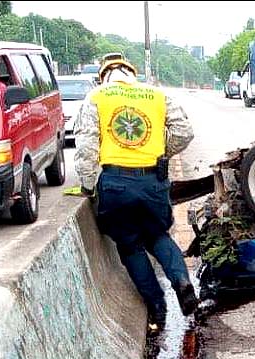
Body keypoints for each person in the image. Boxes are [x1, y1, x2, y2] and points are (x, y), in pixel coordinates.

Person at [74, 58, 198, 336]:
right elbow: (184, 132)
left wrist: (89, 184)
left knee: (130, 245)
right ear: (132, 74)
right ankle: (181, 282)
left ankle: (157, 307)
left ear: (104, 76)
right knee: (158, 235)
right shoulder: (157, 94)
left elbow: (85, 146)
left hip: (115, 184)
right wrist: (161, 153)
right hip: (152, 181)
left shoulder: (96, 96)